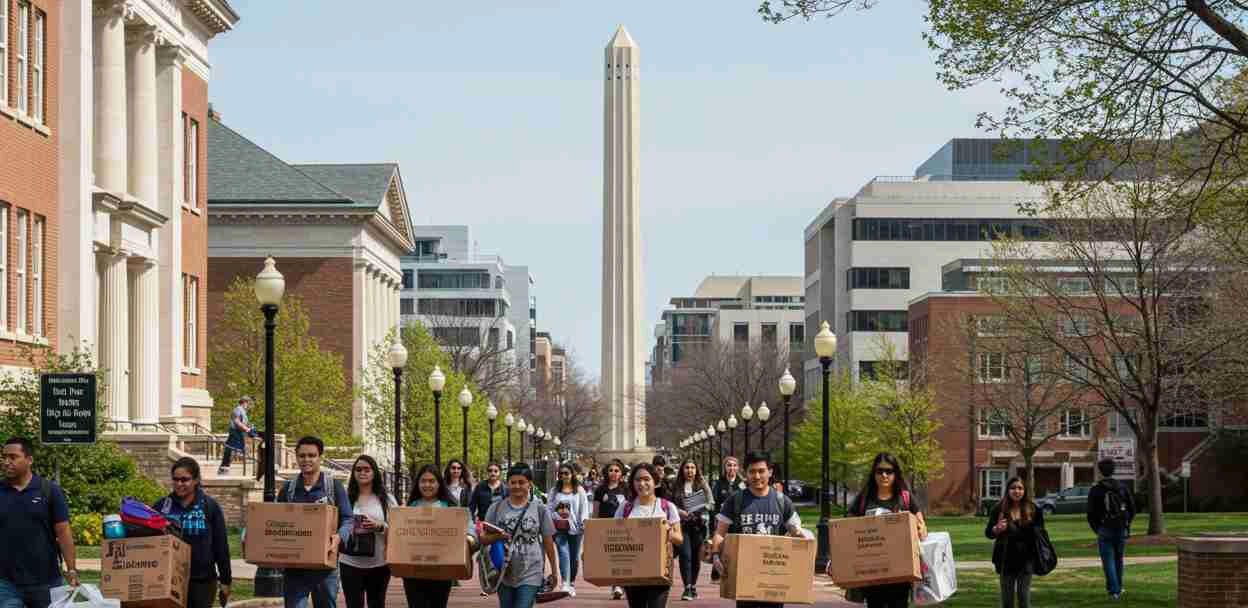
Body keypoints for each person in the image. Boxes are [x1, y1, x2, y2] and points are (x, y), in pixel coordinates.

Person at [831, 452, 927, 608]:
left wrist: (918, 526)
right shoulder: (864, 498)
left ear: (895, 474)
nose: (884, 475)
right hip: (872, 574)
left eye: (889, 471)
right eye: (879, 471)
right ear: (874, 473)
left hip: (900, 575)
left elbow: (922, 526)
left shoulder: (905, 497)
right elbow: (848, 529)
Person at [712, 452, 803, 608]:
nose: (757, 476)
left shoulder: (782, 501)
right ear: (745, 473)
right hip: (744, 574)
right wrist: (715, 557)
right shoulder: (736, 500)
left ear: (770, 472)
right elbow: (720, 533)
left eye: (761, 471)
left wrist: (798, 533)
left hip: (773, 576)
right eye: (752, 471)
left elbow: (799, 533)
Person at [0, 437, 78, 608]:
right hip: (6, 584)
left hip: (46, 582)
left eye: (13, 457)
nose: (6, 462)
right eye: (4, 457)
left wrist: (72, 569)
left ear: (29, 460)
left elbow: (63, 531)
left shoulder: (49, 491)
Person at [278, 436, 353, 608]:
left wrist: (339, 537)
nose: (307, 460)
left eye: (312, 455)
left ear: (320, 458)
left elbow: (348, 519)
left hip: (325, 568)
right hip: (295, 568)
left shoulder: (334, 487)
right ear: (296, 457)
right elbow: (275, 521)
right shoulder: (288, 490)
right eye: (302, 456)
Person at [153, 458, 232, 608]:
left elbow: (221, 546)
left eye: (184, 480)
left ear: (195, 480)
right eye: (175, 479)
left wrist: (226, 580)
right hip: (168, 581)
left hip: (202, 581)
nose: (179, 484)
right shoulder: (162, 507)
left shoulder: (209, 506)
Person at [481, 463, 560, 608]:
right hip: (503, 571)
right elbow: (484, 538)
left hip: (532, 569)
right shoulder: (496, 508)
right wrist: (499, 536)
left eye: (521, 482)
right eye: (513, 482)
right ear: (507, 484)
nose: (517, 486)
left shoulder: (539, 509)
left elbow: (548, 542)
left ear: (529, 484)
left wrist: (554, 572)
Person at [402, 464, 477, 608]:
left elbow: (470, 529)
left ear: (439, 484)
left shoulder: (451, 507)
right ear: (418, 484)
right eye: (423, 481)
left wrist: (468, 539)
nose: (427, 485)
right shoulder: (409, 508)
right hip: (414, 570)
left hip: (442, 569)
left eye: (432, 481)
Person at [615, 462, 684, 608]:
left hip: (660, 571)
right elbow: (614, 535)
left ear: (656, 482)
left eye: (647, 479)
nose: (642, 483)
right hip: (633, 571)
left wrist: (666, 531)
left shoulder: (667, 507)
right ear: (632, 483)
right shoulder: (626, 508)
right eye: (638, 480)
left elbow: (679, 539)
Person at [339, 455, 396, 608]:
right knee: (353, 604)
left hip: (379, 564)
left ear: (374, 473)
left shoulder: (387, 499)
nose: (362, 473)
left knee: (377, 603)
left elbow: (399, 530)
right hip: (349, 562)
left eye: (367, 469)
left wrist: (379, 526)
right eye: (358, 469)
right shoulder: (345, 497)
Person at [987, 477, 1046, 608]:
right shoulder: (999, 509)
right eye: (1013, 488)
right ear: (1008, 490)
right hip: (1005, 558)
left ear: (1025, 491)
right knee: (1007, 600)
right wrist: (997, 529)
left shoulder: (1033, 508)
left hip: (1026, 559)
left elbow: (1041, 533)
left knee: (1023, 598)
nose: (1017, 491)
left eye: (1020, 488)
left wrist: (1033, 531)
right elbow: (988, 533)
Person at [1087, 458, 1135, 601]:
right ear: (1114, 470)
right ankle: (1117, 588)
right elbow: (1132, 508)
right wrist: (1126, 524)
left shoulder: (1096, 489)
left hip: (1104, 528)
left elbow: (1090, 513)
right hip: (1120, 528)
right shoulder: (1122, 487)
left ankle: (1114, 590)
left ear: (1100, 471)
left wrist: (1097, 529)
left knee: (1108, 560)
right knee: (1118, 559)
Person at [672, 459, 713, 601]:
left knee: (696, 558)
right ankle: (687, 587)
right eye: (687, 468)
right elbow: (669, 505)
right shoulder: (676, 486)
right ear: (682, 470)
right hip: (682, 525)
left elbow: (711, 503)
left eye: (692, 468)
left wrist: (703, 509)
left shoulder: (702, 484)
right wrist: (680, 511)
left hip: (698, 526)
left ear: (696, 470)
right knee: (685, 555)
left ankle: (693, 585)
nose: (689, 470)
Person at [548, 464, 590, 597]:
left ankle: (571, 582)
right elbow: (549, 508)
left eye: (566, 473)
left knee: (574, 557)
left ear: (572, 474)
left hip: (575, 528)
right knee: (563, 553)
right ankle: (565, 582)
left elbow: (584, 508)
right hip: (559, 527)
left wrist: (584, 521)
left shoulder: (579, 490)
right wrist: (550, 522)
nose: (563, 476)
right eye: (561, 474)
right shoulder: (554, 491)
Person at [592, 459, 629, 600]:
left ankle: (621, 584)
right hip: (606, 527)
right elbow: (595, 511)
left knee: (623, 557)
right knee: (612, 557)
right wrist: (594, 527)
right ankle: (616, 585)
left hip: (623, 527)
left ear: (621, 473)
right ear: (607, 472)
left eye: (617, 470)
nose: (613, 473)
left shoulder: (626, 488)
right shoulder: (601, 490)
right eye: (611, 470)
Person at [709, 456, 745, 583]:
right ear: (725, 467)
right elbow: (714, 501)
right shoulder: (719, 483)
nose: (732, 468)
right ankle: (716, 572)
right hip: (722, 519)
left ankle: (734, 572)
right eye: (729, 465)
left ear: (738, 467)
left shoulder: (742, 483)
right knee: (720, 545)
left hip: (736, 520)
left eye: (734, 465)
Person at [218, 396, 257, 476]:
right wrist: (247, 430)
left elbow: (242, 423)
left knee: (230, 450)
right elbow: (237, 421)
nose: (250, 406)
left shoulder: (243, 411)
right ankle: (224, 469)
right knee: (237, 451)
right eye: (250, 403)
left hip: (238, 433)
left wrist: (249, 427)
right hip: (236, 433)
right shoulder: (238, 410)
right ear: (245, 402)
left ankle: (223, 468)